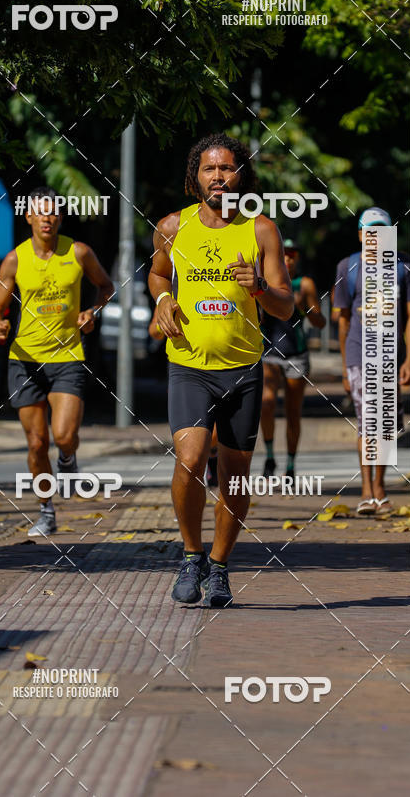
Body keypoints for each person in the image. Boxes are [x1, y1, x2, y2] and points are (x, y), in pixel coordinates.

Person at [149, 133, 293, 607]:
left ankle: (220, 565)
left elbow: (286, 306)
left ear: (240, 176)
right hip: (188, 366)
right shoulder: (173, 226)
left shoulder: (260, 230)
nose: (218, 177)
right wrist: (163, 298)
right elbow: (157, 272)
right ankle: (191, 555)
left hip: (243, 369)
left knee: (235, 475)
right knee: (190, 460)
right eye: (209, 168)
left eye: (226, 168)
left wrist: (259, 288)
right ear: (195, 177)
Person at [0, 186, 114, 535]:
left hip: (67, 357)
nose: (47, 217)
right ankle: (46, 511)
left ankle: (68, 458)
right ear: (29, 217)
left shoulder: (78, 252)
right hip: (24, 360)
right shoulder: (15, 259)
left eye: (54, 211)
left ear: (60, 217)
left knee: (64, 435)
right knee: (37, 443)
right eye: (41, 211)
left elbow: (106, 286)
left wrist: (92, 311)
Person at [333, 206, 410, 515]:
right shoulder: (348, 267)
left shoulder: (404, 267)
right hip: (359, 354)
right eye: (370, 231)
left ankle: (380, 486)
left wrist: (409, 360)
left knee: (387, 423)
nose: (376, 237)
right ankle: (368, 490)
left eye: (382, 231)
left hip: (392, 356)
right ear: (360, 235)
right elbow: (342, 321)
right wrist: (345, 367)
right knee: (368, 422)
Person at [260, 238, 325, 482]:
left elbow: (320, 322)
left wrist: (303, 308)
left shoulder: (304, 284)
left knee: (292, 412)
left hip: (296, 354)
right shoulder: (264, 280)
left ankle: (290, 464)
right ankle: (269, 456)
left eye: (292, 255)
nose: (287, 259)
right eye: (284, 254)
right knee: (266, 403)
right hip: (269, 352)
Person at [149, 306, 219, 487]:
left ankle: (212, 455)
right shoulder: (172, 296)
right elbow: (154, 331)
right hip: (187, 371)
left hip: (224, 366)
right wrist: (165, 323)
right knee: (190, 442)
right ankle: (202, 464)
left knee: (216, 432)